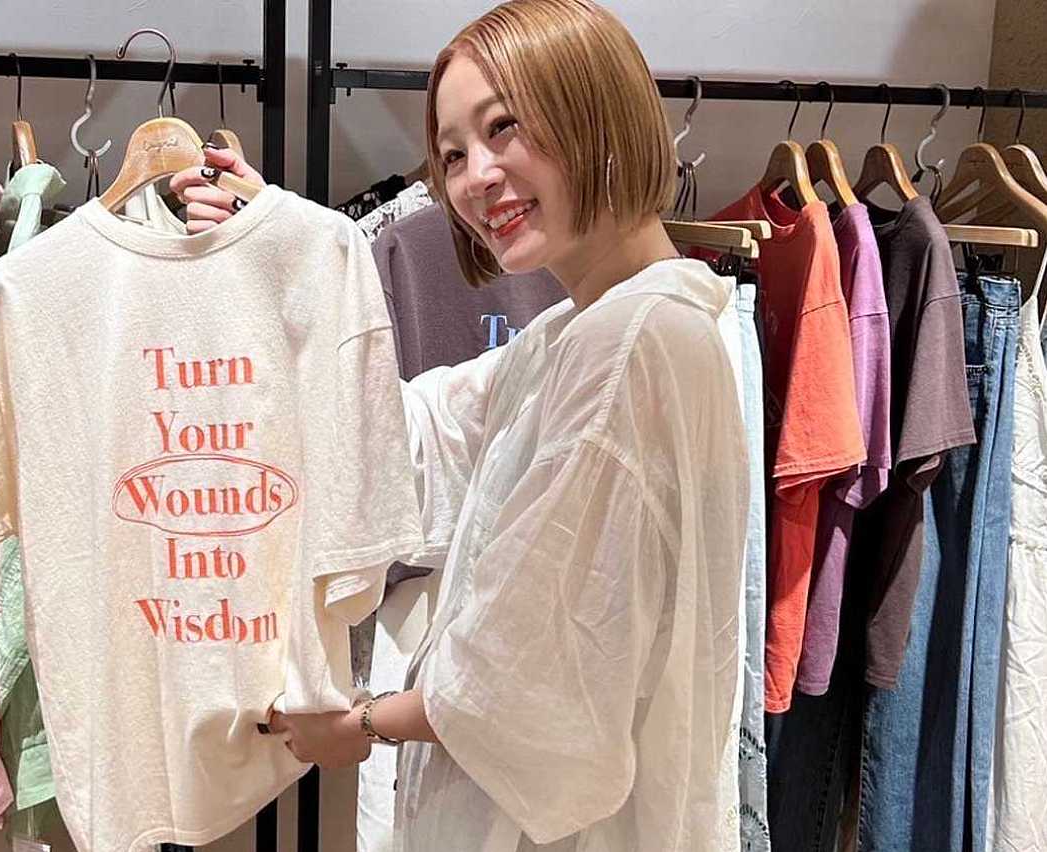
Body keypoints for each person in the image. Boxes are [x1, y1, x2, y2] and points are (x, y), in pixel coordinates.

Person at [173, 1, 748, 849]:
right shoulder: (578, 334)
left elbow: (527, 675)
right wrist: (287, 250)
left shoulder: (632, 345)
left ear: (595, 110)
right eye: (450, 154)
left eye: (503, 127)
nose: (474, 177)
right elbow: (406, 434)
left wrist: (360, 723)